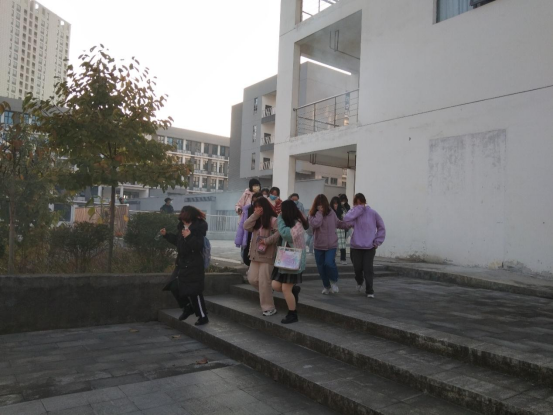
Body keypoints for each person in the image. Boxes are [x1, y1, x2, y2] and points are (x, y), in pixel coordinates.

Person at [161, 206, 209, 326]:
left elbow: (198, 246)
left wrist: (189, 236)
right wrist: (166, 235)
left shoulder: (198, 228)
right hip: (182, 263)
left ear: (189, 217)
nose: (183, 222)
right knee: (173, 285)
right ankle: (187, 307)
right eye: (181, 220)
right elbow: (178, 242)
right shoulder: (182, 227)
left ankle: (203, 316)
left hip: (194, 264)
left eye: (184, 219)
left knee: (194, 291)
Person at [343, 193, 386, 299]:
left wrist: (377, 241)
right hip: (356, 246)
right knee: (357, 268)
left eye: (361, 203)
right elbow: (346, 220)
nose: (359, 205)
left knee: (368, 269)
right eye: (356, 203)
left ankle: (369, 290)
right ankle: (359, 281)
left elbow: (381, 227)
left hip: (369, 247)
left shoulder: (373, 213)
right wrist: (356, 211)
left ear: (364, 202)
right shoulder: (353, 214)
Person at [243, 197, 280, 316]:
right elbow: (245, 226)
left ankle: (269, 308)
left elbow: (278, 234)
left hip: (267, 255)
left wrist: (267, 241)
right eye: (256, 207)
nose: (258, 209)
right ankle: (268, 291)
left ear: (265, 206)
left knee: (264, 282)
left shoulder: (273, 220)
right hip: (255, 255)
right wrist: (255, 215)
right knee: (252, 279)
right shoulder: (256, 220)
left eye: (260, 206)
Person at [273, 200, 307, 325]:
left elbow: (286, 234)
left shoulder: (298, 223)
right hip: (285, 260)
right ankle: (294, 291)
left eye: (282, 210)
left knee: (285, 289)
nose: (281, 212)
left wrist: (279, 218)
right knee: (275, 285)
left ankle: (293, 314)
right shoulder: (288, 221)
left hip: (294, 261)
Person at [308, 194, 351, 295]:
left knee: (329, 263)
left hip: (331, 244)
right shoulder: (312, 214)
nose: (321, 206)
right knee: (321, 268)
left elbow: (338, 223)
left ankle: (334, 281)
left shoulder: (331, 213)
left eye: (322, 204)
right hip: (318, 245)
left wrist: (348, 224)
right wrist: (319, 213)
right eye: (318, 205)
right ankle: (326, 286)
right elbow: (316, 224)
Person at [235, 192, 263, 264]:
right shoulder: (247, 209)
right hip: (248, 235)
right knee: (246, 257)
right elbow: (243, 226)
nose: (255, 203)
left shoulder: (265, 213)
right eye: (253, 201)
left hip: (260, 238)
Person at [330, 197, 348, 265]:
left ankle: (343, 259)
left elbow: (346, 219)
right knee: (332, 246)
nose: (335, 205)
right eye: (334, 204)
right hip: (332, 230)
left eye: (337, 204)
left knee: (342, 245)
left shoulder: (342, 210)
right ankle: (332, 259)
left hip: (340, 229)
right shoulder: (329, 211)